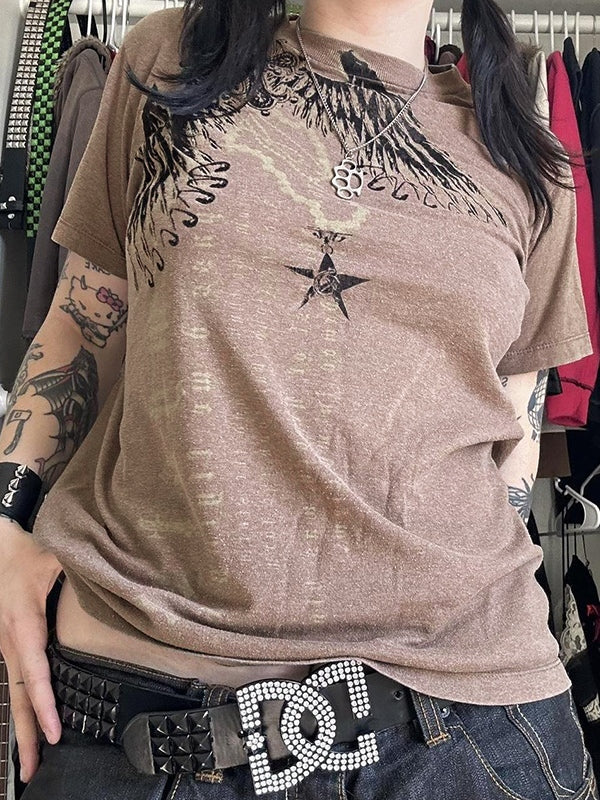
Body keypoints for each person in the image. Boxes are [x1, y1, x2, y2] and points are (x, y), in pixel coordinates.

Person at [0, 0, 597, 797]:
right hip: (149, 726)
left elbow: (515, 417)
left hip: (468, 732)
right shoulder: (171, 60)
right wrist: (5, 520)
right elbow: (82, 321)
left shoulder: (525, 151)